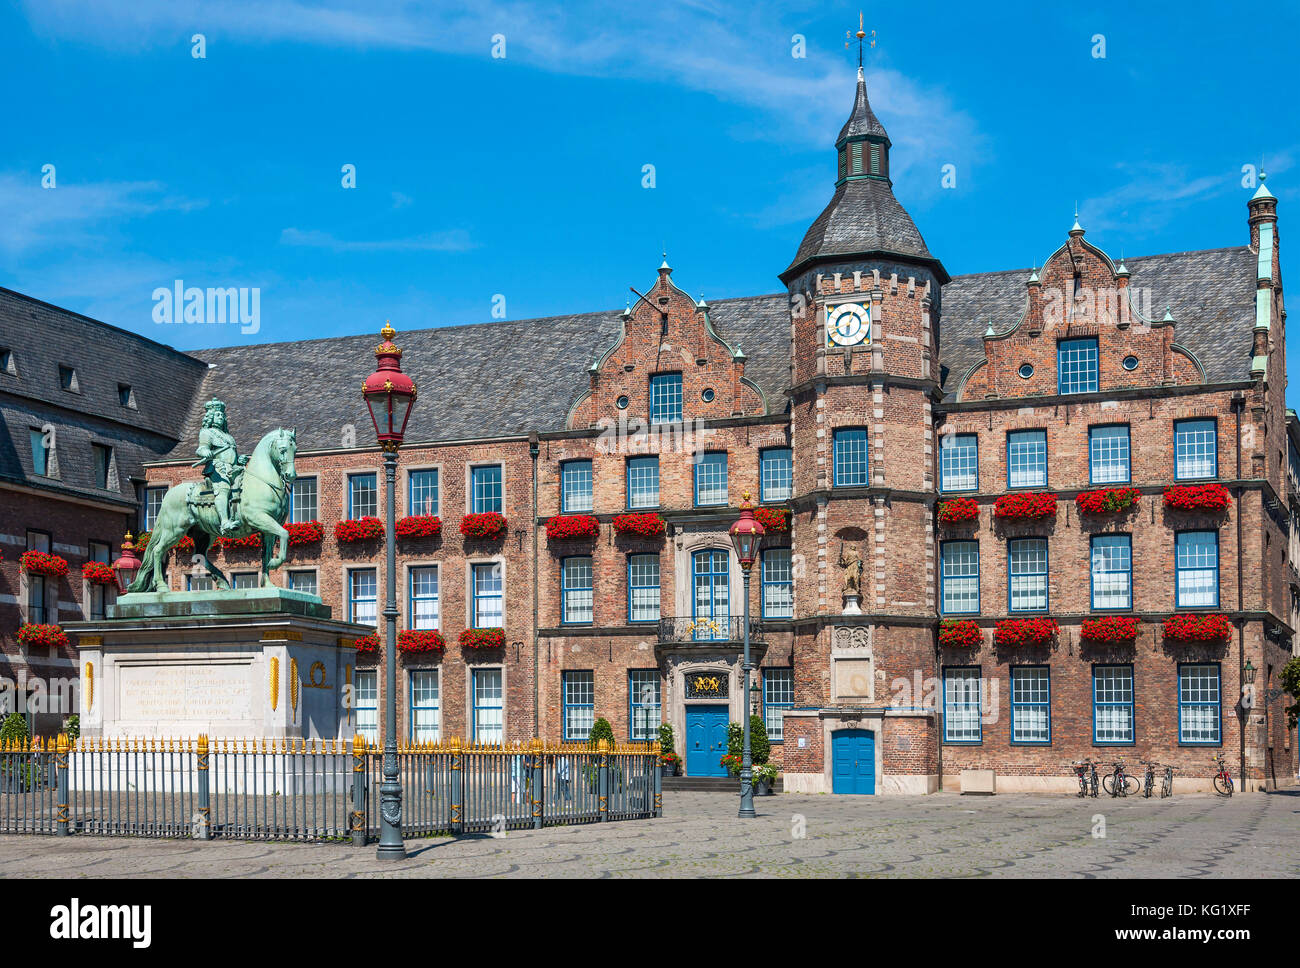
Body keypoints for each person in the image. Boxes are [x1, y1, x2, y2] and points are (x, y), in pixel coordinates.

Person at [191, 399, 248, 534]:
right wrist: (206, 452)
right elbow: (200, 449)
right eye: (218, 415)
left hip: (234, 469)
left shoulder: (229, 437)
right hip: (218, 468)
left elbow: (234, 455)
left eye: (222, 416)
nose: (221, 417)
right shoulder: (207, 432)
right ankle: (224, 522)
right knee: (224, 489)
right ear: (210, 417)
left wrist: (240, 459)